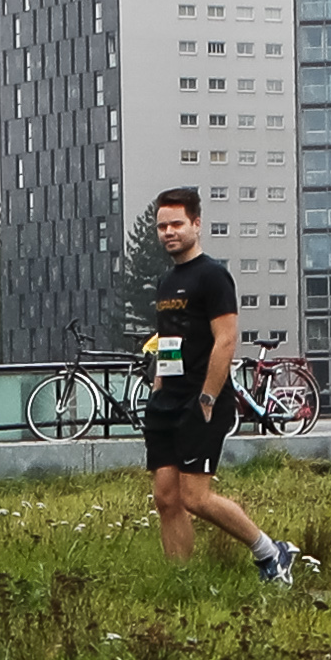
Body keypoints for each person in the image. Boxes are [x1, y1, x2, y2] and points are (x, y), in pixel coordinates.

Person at [135, 189, 298, 582]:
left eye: (176, 224)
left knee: (196, 497)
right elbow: (166, 340)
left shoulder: (212, 275)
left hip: (201, 401)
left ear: (196, 225)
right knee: (166, 498)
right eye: (162, 226)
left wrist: (207, 398)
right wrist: (158, 388)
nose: (168, 232)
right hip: (166, 402)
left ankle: (270, 552)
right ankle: (181, 580)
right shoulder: (165, 282)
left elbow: (226, 340)